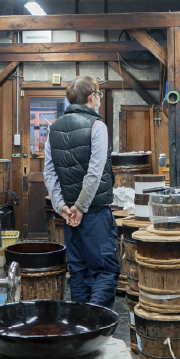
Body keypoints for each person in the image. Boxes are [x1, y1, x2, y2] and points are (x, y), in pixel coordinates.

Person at [43, 76, 119, 310]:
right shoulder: (97, 126)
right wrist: (81, 207)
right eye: (98, 95)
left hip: (70, 218)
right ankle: (95, 324)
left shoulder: (53, 128)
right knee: (105, 271)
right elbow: (94, 173)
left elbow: (49, 173)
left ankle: (79, 325)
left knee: (78, 271)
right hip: (94, 215)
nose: (99, 99)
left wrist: (62, 207)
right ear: (91, 97)